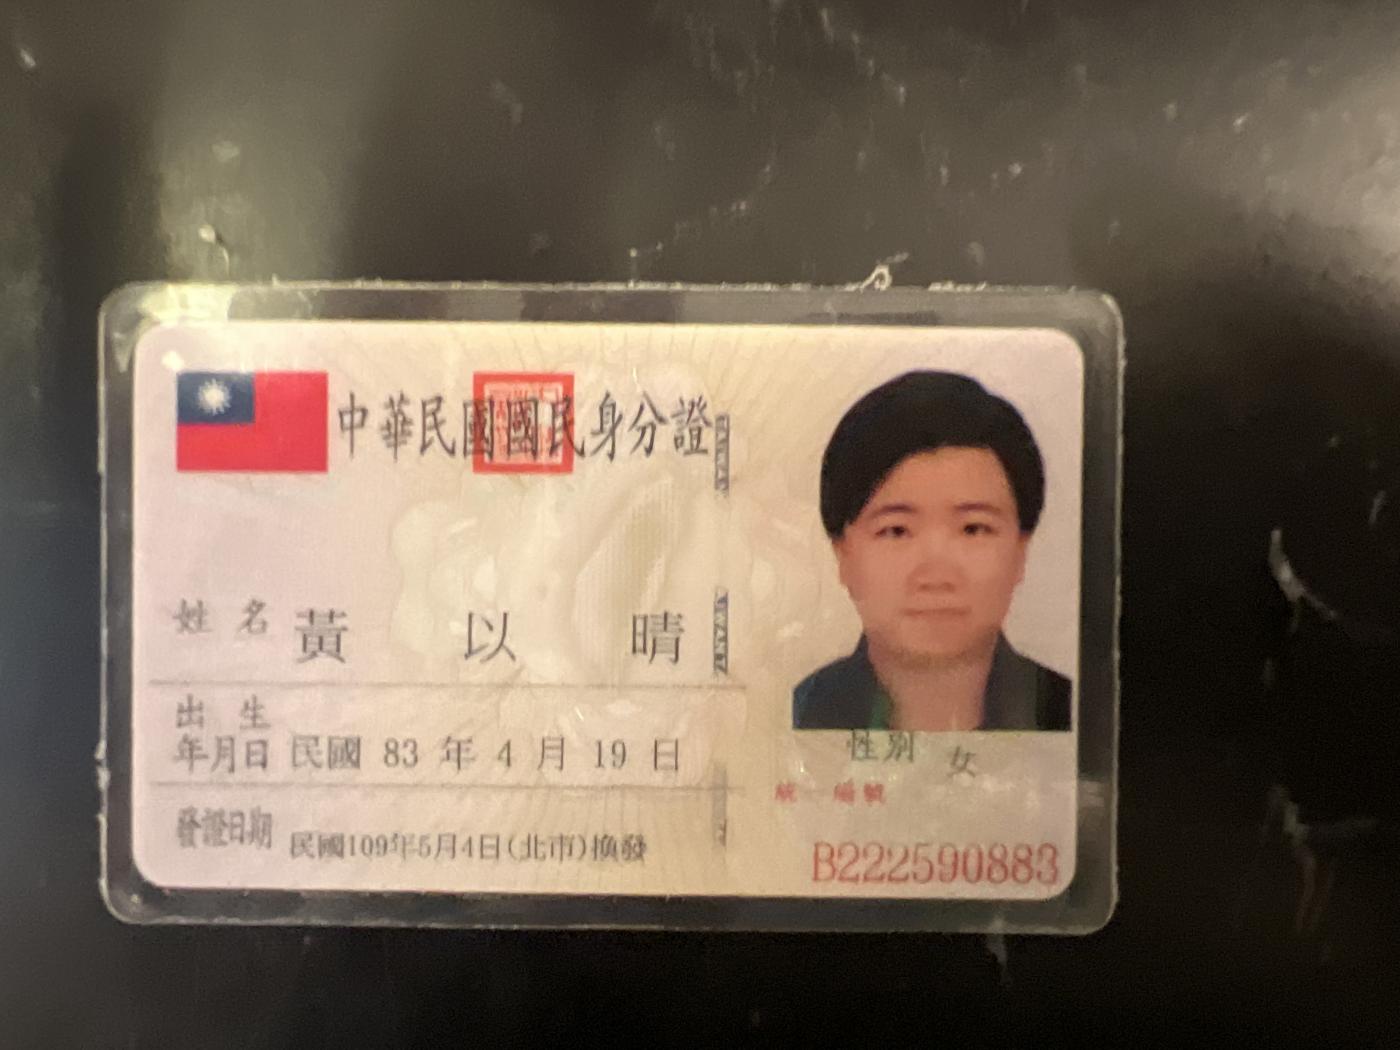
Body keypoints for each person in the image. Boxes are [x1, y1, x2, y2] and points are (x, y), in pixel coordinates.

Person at [793, 370, 1071, 731]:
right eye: (896, 531)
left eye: (973, 529)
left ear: (1021, 550)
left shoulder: (1072, 713)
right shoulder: (798, 712)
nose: (937, 575)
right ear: (842, 553)